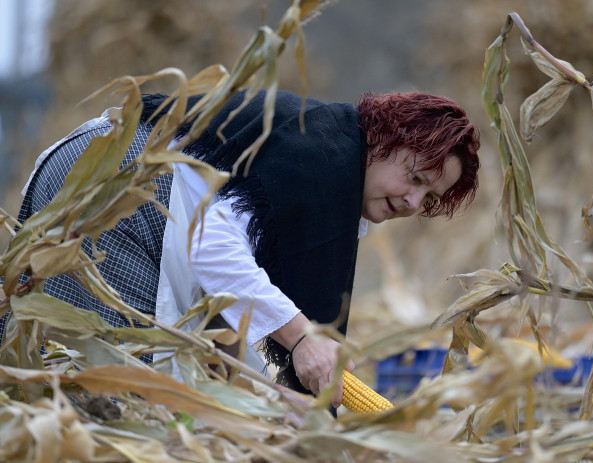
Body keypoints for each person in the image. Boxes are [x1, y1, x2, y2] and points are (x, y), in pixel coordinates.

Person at [2, 89, 480, 407]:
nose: (413, 201)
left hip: (101, 173)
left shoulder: (325, 154)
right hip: (121, 190)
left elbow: (224, 304)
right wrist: (301, 339)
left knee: (83, 381)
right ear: (381, 142)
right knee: (119, 397)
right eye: (414, 177)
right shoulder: (322, 164)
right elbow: (211, 248)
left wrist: (265, 401)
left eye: (430, 198)